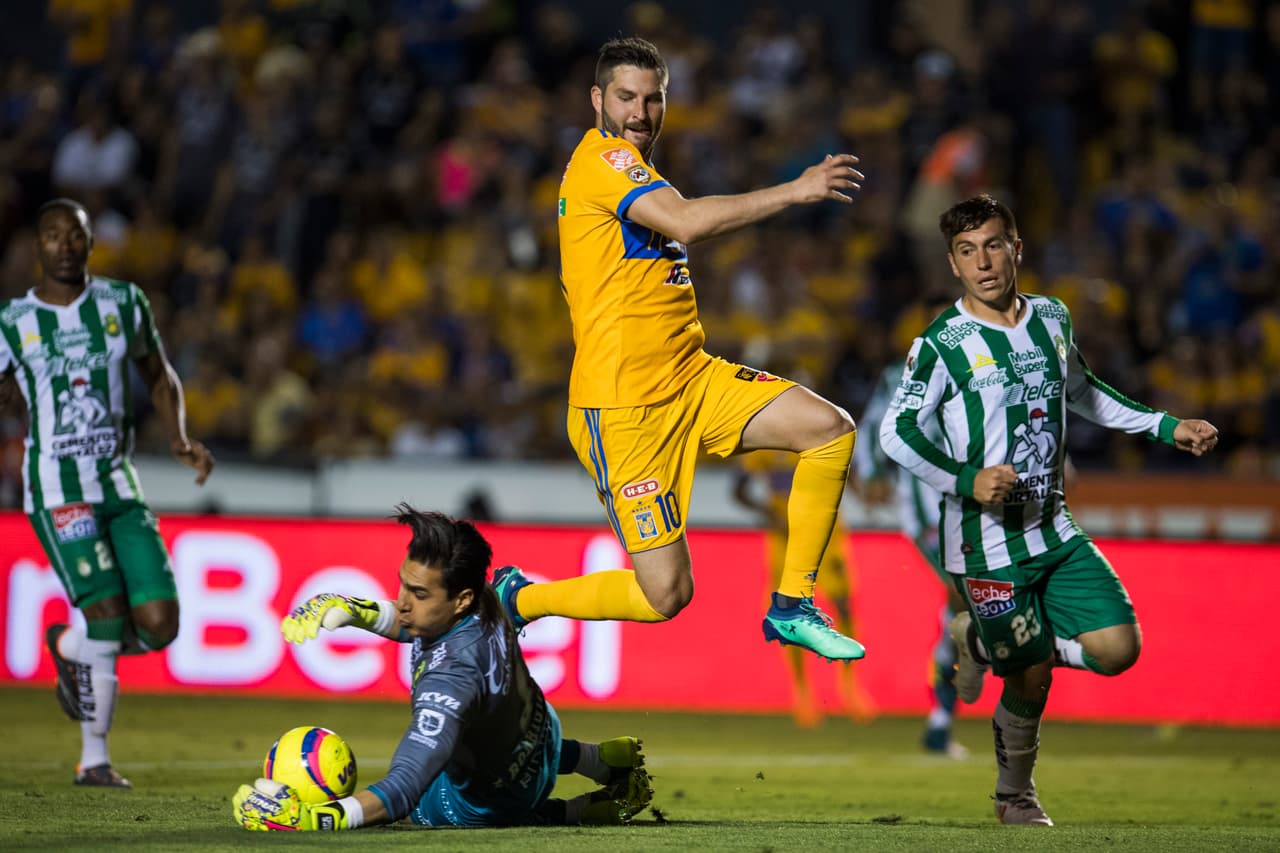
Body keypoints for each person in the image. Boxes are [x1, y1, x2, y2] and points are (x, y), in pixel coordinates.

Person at [493, 36, 868, 661]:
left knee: (828, 429)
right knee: (666, 594)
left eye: (653, 99)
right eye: (625, 98)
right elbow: (689, 222)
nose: (640, 113)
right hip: (625, 411)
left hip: (692, 379)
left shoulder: (640, 174)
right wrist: (795, 190)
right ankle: (520, 599)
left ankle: (793, 605)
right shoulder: (602, 163)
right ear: (596, 99)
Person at [879, 194, 1220, 825]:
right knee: (1031, 677)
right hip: (984, 542)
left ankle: (979, 644)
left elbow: (1085, 392)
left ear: (1016, 248)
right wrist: (966, 479)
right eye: (966, 251)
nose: (982, 262)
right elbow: (895, 434)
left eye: (992, 244)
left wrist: (1165, 425)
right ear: (953, 265)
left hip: (1053, 527)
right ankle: (1015, 797)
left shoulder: (1053, 319)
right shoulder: (941, 343)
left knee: (1119, 649)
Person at [233, 505, 653, 831]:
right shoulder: (498, 597)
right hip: (544, 735)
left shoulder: (450, 683)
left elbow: (402, 790)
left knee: (423, 808)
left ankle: (574, 811)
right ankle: (598, 760)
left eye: (418, 593)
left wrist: (312, 819)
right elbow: (419, 620)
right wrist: (353, 609)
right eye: (403, 584)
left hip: (499, 794)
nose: (401, 602)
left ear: (462, 599)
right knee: (492, 729)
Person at [0, 197, 214, 788]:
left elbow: (157, 372)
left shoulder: (123, 303)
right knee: (106, 613)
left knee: (160, 624)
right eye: (52, 235)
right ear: (36, 246)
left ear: (91, 243)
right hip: (57, 489)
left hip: (120, 484)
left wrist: (179, 436)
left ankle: (68, 645)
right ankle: (94, 759)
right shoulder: (12, 322)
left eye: (76, 234)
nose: (65, 244)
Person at [855, 351, 966, 758]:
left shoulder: (992, 365)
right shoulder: (901, 374)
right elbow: (871, 428)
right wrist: (870, 474)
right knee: (965, 596)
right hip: (929, 513)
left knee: (963, 609)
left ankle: (941, 720)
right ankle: (942, 715)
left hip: (979, 508)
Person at [732, 449, 876, 726]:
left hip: (826, 529)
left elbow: (850, 470)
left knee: (844, 604)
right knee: (789, 612)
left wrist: (863, 495)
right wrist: (767, 513)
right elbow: (738, 490)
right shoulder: (765, 442)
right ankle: (802, 692)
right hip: (785, 534)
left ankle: (850, 688)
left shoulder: (819, 429)